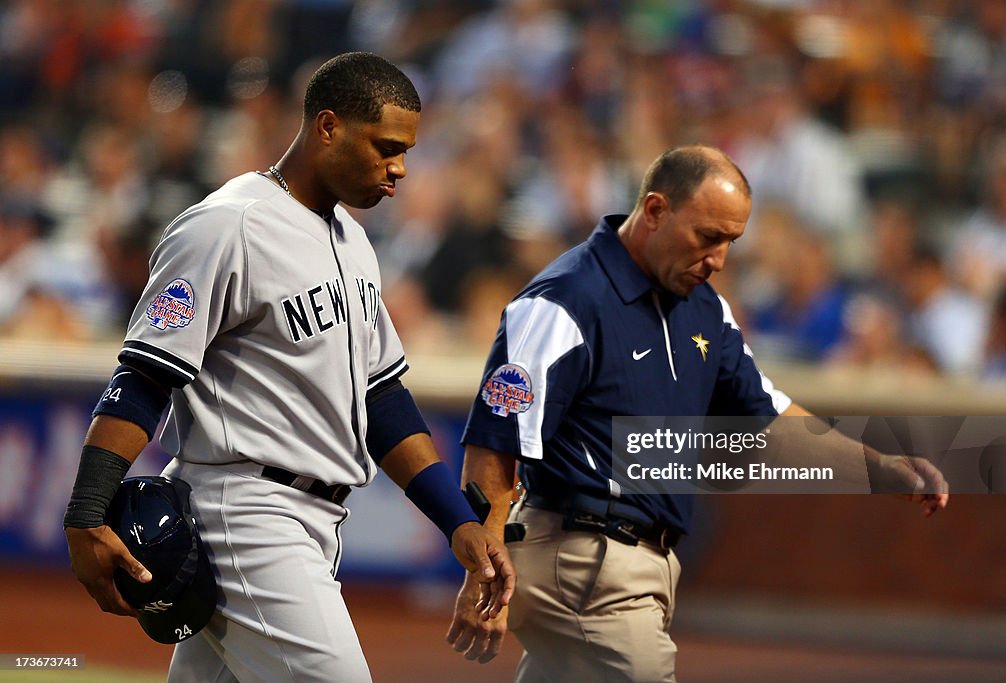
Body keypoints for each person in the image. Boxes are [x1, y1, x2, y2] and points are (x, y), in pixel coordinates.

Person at [63, 52, 514, 682]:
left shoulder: (354, 242)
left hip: (310, 518)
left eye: (406, 151)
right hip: (244, 513)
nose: (400, 168)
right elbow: (144, 378)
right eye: (386, 147)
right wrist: (86, 513)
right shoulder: (228, 225)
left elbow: (380, 401)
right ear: (327, 126)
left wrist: (458, 521)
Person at [445, 146, 948, 682]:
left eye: (731, 241)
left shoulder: (706, 307)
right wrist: (485, 570)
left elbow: (773, 422)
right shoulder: (564, 300)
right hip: (586, 562)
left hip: (630, 564)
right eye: (708, 236)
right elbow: (494, 446)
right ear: (656, 210)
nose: (719, 259)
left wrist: (879, 468)